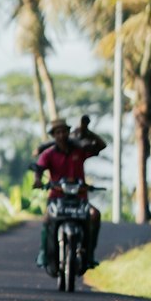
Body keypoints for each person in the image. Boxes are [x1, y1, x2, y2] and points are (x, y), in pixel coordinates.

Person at [33, 115, 106, 273]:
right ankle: (44, 253)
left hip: (79, 199)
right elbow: (39, 168)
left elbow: (101, 145)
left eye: (64, 132)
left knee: (94, 215)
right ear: (53, 136)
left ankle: (89, 253)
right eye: (57, 133)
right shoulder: (49, 154)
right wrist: (37, 180)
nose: (61, 135)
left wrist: (87, 132)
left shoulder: (79, 150)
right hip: (57, 199)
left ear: (68, 132)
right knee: (47, 219)